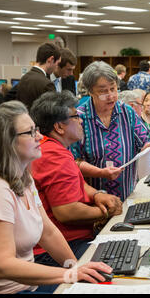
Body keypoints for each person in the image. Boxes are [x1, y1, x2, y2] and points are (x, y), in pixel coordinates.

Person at [0, 101, 112, 294]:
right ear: (8, 141)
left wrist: (75, 267)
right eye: (31, 132)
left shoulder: (25, 179)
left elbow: (48, 232)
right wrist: (69, 275)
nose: (40, 137)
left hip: (30, 287)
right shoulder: (1, 190)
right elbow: (3, 264)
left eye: (37, 130)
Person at [30, 91, 123, 266]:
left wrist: (97, 195)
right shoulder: (55, 156)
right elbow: (67, 211)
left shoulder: (51, 148)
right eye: (75, 116)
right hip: (60, 249)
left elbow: (76, 181)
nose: (81, 121)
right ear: (59, 127)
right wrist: (105, 212)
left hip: (63, 243)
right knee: (120, 262)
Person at [70, 61, 150, 201]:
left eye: (113, 89)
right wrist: (100, 172)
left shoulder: (126, 112)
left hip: (128, 197)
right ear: (91, 92)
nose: (110, 96)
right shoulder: (79, 118)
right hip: (95, 202)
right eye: (103, 91)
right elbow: (73, 161)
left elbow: (144, 141)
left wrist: (148, 147)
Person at [16, 43, 60, 110]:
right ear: (51, 59)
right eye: (57, 63)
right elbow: (52, 114)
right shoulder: (47, 85)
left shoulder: (23, 79)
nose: (56, 67)